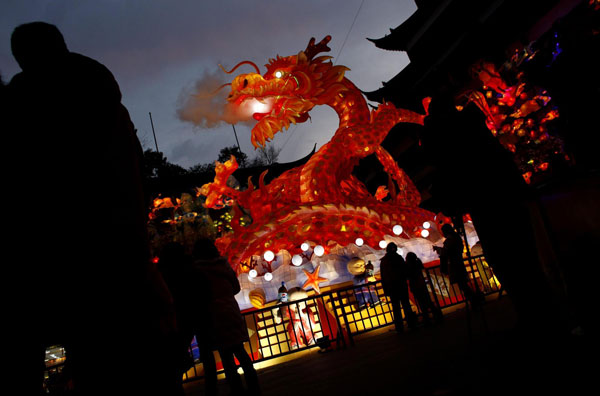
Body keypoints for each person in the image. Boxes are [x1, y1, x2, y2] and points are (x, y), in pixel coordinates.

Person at [6, 22, 176, 394]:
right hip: (122, 249)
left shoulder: (26, 104)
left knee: (96, 354)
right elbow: (135, 172)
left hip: (68, 254)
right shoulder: (106, 100)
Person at [194, 238, 261, 396]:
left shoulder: (198, 271)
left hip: (213, 316)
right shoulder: (223, 266)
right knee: (240, 351)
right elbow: (236, 287)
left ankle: (236, 388)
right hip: (230, 311)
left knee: (226, 356)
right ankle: (254, 386)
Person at [434, 224, 482, 308]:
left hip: (455, 265)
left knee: (463, 285)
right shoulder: (456, 238)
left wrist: (440, 250)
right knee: (463, 284)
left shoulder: (451, 240)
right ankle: (474, 300)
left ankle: (474, 301)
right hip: (458, 263)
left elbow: (448, 252)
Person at [379, 243, 417, 331]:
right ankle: (411, 323)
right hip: (401, 285)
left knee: (396, 307)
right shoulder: (398, 258)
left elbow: (383, 276)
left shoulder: (384, 261)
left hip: (392, 287)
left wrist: (385, 288)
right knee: (406, 304)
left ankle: (399, 326)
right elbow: (404, 270)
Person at [405, 252, 443, 324]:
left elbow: (407, 275)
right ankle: (436, 314)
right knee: (427, 300)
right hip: (421, 284)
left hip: (415, 285)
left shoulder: (409, 266)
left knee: (422, 302)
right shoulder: (417, 263)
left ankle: (427, 317)